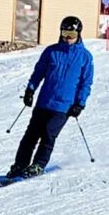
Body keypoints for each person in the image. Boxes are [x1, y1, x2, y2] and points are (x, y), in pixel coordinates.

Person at [10, 16, 94, 179]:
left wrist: (80, 103)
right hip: (44, 102)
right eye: (65, 33)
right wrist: (30, 90)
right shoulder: (51, 51)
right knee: (30, 136)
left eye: (71, 34)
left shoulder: (85, 57)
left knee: (48, 135)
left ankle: (38, 165)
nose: (68, 38)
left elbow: (86, 82)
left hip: (64, 106)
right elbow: (39, 72)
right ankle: (20, 165)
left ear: (78, 34)